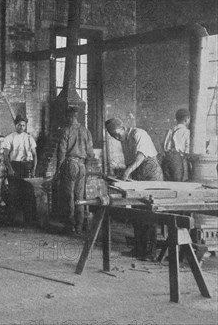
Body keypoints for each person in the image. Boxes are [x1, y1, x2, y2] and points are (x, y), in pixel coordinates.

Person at [105, 118, 163, 260]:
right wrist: (123, 173)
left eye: (117, 134)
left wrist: (127, 171)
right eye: (113, 136)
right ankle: (139, 249)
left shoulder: (138, 133)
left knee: (149, 213)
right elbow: (130, 162)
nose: (116, 137)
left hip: (150, 173)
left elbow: (140, 156)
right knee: (137, 212)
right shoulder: (125, 141)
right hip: (138, 174)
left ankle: (150, 252)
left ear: (123, 127)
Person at [55, 106, 95, 234]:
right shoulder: (86, 131)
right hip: (82, 166)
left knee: (69, 196)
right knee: (80, 196)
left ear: (69, 116)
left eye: (67, 116)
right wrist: (87, 168)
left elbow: (61, 152)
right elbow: (90, 153)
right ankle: (79, 226)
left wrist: (58, 170)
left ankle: (70, 226)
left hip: (70, 164)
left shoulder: (66, 130)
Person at [1, 114, 37, 225]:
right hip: (14, 166)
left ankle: (29, 221)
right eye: (19, 125)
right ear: (15, 125)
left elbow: (35, 156)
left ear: (26, 126)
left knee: (28, 193)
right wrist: (10, 169)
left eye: (23, 125)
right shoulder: (9, 138)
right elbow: (5, 157)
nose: (21, 127)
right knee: (13, 194)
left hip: (27, 167)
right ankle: (12, 220)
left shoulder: (29, 138)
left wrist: (34, 170)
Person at [162, 108, 190, 181]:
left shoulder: (170, 130)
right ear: (186, 119)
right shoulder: (186, 132)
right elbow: (187, 150)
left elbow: (164, 146)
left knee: (168, 182)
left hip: (167, 158)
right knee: (178, 183)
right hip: (177, 160)